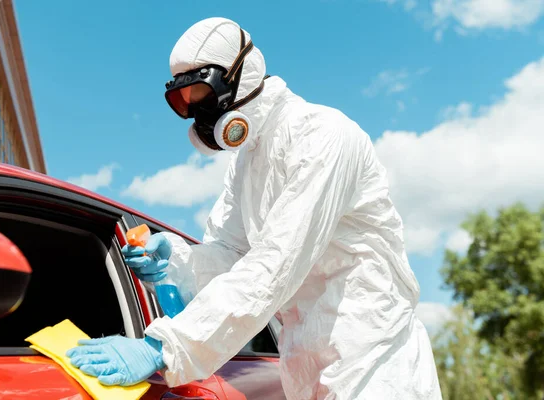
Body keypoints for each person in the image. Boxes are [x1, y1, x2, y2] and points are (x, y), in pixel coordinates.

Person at [67, 17, 443, 399]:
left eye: (202, 95)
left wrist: (163, 347)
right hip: (307, 371)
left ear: (240, 76)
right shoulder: (245, 165)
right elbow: (234, 257)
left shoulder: (325, 136)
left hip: (376, 367)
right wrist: (178, 262)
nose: (200, 115)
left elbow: (276, 263)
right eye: (185, 103)